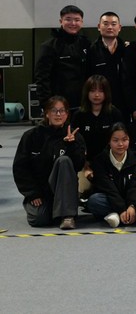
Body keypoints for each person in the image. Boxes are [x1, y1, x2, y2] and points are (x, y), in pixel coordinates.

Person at [13, 96, 86, 229]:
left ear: (67, 114)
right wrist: (32, 193)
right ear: (46, 113)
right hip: (40, 191)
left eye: (62, 111)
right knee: (39, 219)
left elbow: (79, 165)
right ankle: (54, 210)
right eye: (54, 110)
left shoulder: (74, 135)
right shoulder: (31, 136)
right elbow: (20, 168)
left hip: (64, 190)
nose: (58, 114)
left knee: (64, 160)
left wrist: (71, 145)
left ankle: (67, 215)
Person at [71, 75, 125, 195]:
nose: (96, 95)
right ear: (86, 93)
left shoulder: (114, 113)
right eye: (92, 91)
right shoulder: (78, 115)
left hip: (110, 162)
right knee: (82, 189)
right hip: (86, 164)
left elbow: (122, 142)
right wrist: (85, 166)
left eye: (101, 91)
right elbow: (76, 146)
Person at [86, 123, 136, 227]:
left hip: (131, 197)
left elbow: (135, 185)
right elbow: (109, 189)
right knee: (94, 201)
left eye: (124, 140)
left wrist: (132, 205)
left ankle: (120, 214)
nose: (120, 144)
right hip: (111, 198)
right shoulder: (100, 160)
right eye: (115, 140)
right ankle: (130, 214)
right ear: (109, 141)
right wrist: (121, 209)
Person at [34, 5, 91, 109]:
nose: (73, 23)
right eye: (68, 19)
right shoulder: (49, 46)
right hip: (58, 106)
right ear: (61, 21)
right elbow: (42, 78)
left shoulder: (86, 43)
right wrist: (47, 105)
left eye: (77, 20)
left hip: (83, 104)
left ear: (82, 22)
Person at [87, 11, 128, 117]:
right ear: (99, 27)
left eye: (113, 24)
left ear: (119, 27)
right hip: (99, 104)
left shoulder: (127, 50)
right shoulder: (91, 50)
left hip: (123, 103)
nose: (110, 27)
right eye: (105, 24)